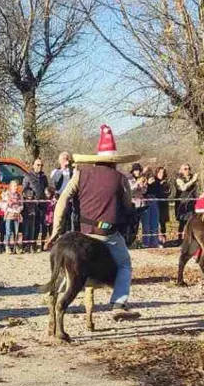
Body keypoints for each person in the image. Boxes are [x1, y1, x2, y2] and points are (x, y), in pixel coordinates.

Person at [46, 124, 140, 320]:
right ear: (114, 161)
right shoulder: (121, 179)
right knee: (124, 264)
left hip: (83, 233)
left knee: (68, 270)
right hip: (108, 234)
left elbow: (62, 200)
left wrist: (55, 230)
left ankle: (55, 294)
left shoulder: (80, 174)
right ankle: (118, 303)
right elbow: (128, 206)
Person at [22, 158, 49, 251]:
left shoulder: (44, 177)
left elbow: (46, 188)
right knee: (29, 226)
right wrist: (30, 195)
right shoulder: (28, 176)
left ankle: (35, 244)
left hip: (42, 204)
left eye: (41, 165)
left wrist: (48, 193)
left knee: (39, 225)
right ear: (33, 165)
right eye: (38, 165)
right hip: (31, 205)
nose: (39, 167)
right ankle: (26, 245)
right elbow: (24, 190)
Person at [175, 163, 199, 244]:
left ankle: (191, 239)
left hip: (193, 202)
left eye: (188, 168)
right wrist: (193, 181)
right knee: (182, 222)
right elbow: (183, 188)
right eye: (185, 169)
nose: (187, 170)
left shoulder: (193, 178)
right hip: (183, 203)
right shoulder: (179, 179)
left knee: (192, 221)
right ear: (181, 170)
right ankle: (179, 240)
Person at [2, 180, 23, 254]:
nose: (15, 187)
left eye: (16, 186)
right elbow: (4, 206)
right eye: (14, 186)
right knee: (8, 231)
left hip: (16, 216)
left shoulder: (19, 195)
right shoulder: (6, 195)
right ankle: (7, 246)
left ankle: (15, 246)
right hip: (9, 216)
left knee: (16, 232)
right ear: (10, 187)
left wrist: (19, 209)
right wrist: (12, 210)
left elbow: (21, 205)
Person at [140, 167, 160, 248]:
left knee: (154, 222)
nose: (149, 174)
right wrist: (146, 183)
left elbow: (158, 191)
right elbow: (142, 191)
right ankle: (146, 243)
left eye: (150, 172)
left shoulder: (155, 180)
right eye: (146, 172)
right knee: (146, 224)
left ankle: (154, 242)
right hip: (145, 200)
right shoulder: (142, 179)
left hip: (154, 200)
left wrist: (154, 183)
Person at [155, 166, 171, 246]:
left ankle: (164, 240)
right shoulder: (154, 182)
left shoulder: (166, 182)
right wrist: (159, 185)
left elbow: (168, 193)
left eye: (163, 172)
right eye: (160, 172)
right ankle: (157, 240)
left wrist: (165, 186)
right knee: (156, 223)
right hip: (156, 204)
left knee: (163, 223)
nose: (161, 174)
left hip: (164, 204)